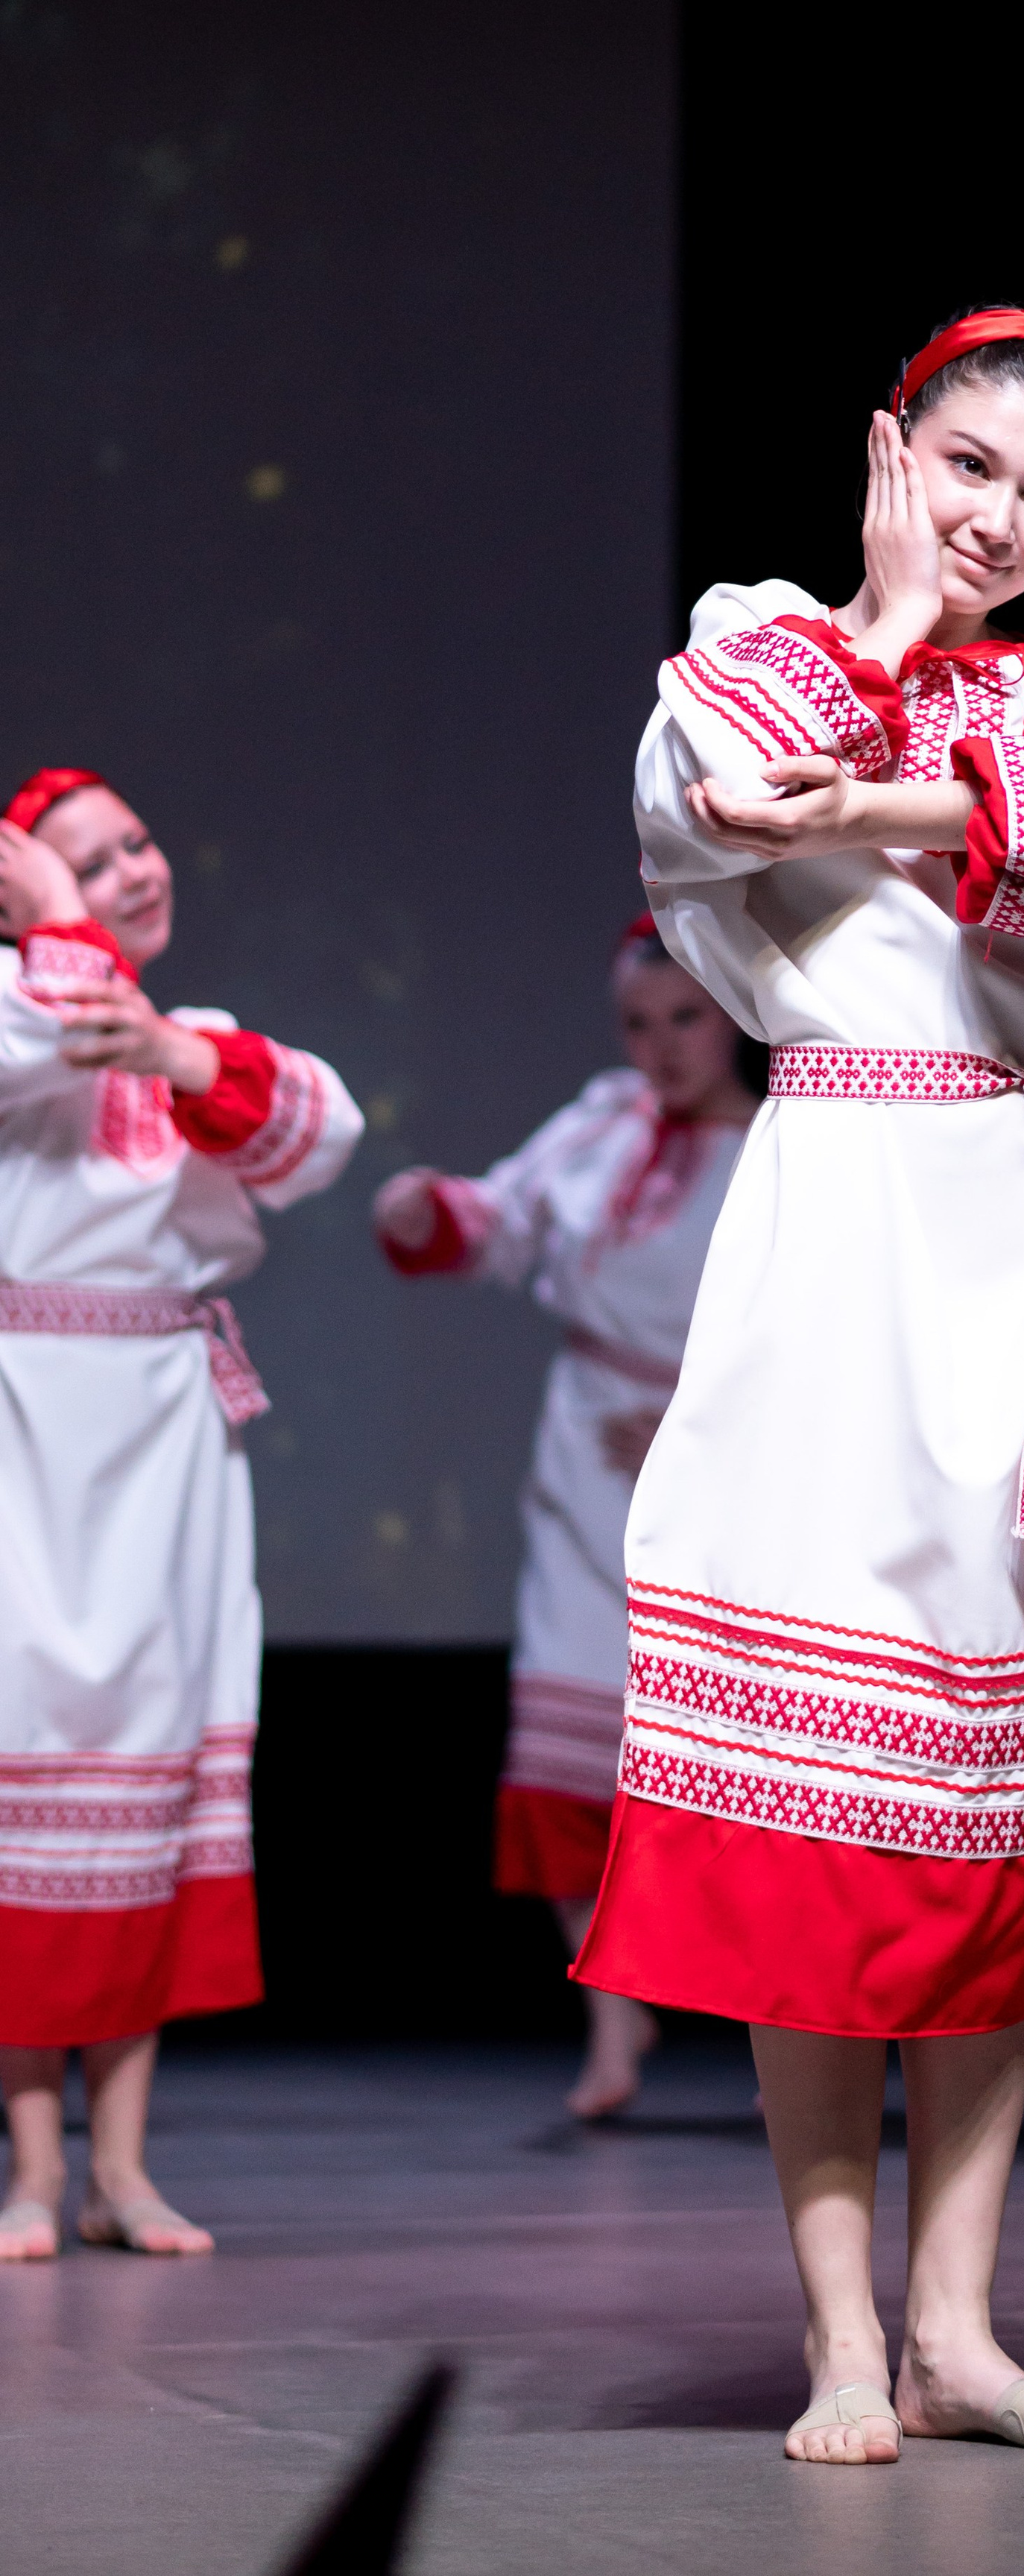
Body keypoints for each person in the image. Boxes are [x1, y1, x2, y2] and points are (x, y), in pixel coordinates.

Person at [570, 303, 1024, 2462]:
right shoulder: (761, 632)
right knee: (827, 1803)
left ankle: (959, 2322)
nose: (1001, 520)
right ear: (893, 450)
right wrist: (876, 651)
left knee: (1010, 1808)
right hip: (855, 1236)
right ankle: (844, 2333)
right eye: (966, 466)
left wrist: (881, 795)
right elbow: (709, 808)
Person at [0, 767, 362, 2258]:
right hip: (26, 1423)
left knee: (149, 1774)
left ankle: (126, 2166)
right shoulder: (19, 1017)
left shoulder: (192, 1039)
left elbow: (316, 1133)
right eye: (85, 864)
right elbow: (40, 1044)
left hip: (162, 1436)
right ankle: (33, 2166)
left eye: (137, 843)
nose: (130, 872)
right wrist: (60, 940)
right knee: (33, 1757)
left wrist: (168, 1047)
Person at [373, 919, 756, 2116]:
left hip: (733, 1480)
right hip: (588, 1462)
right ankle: (612, 2022)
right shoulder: (600, 1121)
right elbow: (504, 1220)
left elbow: (818, 1329)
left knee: (745, 1774)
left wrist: (697, 1425)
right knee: (567, 1749)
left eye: (684, 1018)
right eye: (639, 1024)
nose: (660, 1047)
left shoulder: (790, 1146)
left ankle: (781, 2033)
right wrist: (425, 1211)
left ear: (732, 1014)